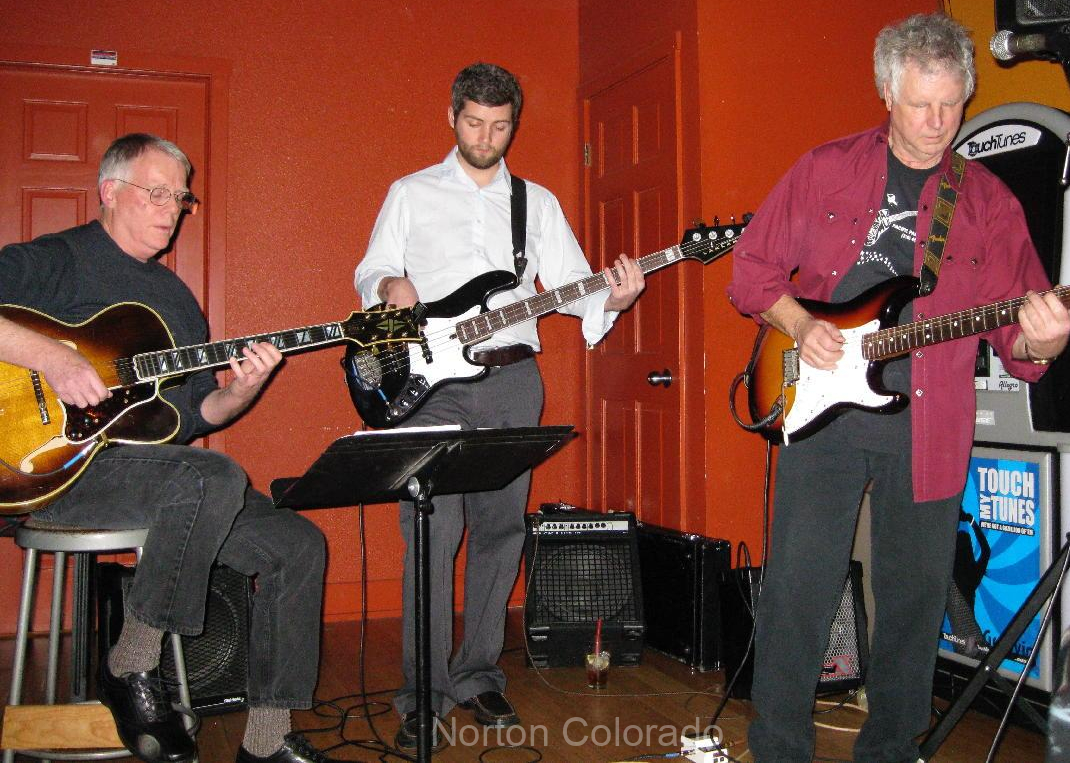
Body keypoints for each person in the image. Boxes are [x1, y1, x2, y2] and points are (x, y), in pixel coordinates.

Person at [726, 13, 1070, 763]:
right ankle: (778, 748)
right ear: (886, 92)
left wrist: (1043, 340)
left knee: (914, 603)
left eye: (951, 104)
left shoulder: (987, 202)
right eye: (920, 104)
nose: (937, 122)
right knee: (797, 590)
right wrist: (799, 323)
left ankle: (889, 749)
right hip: (822, 412)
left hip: (930, 423)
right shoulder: (825, 169)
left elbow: (1017, 337)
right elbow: (749, 271)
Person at [0, 134, 350, 763]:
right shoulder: (57, 260)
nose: (173, 209)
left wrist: (243, 389)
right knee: (210, 477)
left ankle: (266, 740)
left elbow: (193, 417)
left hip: (148, 471)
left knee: (296, 543)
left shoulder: (175, 300)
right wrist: (52, 357)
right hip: (49, 470)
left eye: (180, 197)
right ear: (110, 191)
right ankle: (132, 665)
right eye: (157, 193)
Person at [354, 62, 644, 751]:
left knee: (500, 530)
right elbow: (370, 270)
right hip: (431, 386)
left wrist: (614, 298)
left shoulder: (534, 203)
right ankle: (422, 692)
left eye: (500, 126)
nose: (485, 137)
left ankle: (477, 674)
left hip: (514, 380)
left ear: (514, 125)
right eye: (474, 123)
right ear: (452, 117)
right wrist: (390, 284)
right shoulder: (410, 193)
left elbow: (573, 284)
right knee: (431, 531)